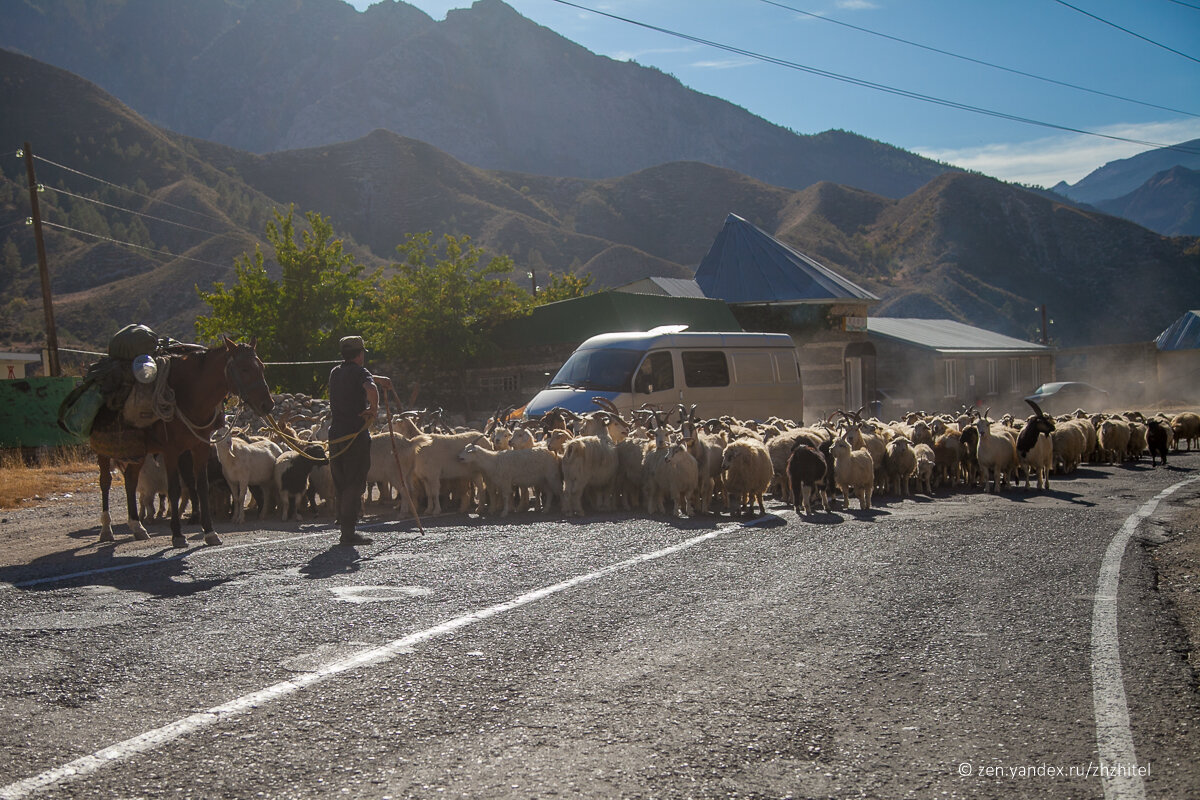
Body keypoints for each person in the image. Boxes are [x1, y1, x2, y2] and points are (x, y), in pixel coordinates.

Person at [328, 335, 391, 547]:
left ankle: (343, 521)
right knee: (355, 482)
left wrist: (379, 379)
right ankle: (348, 531)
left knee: (341, 481)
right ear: (360, 354)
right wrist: (373, 409)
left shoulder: (335, 372)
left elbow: (355, 378)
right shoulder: (361, 372)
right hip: (355, 435)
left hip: (335, 435)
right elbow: (370, 390)